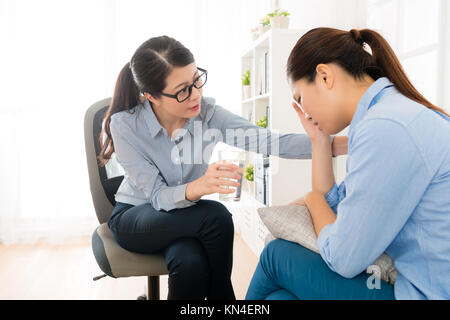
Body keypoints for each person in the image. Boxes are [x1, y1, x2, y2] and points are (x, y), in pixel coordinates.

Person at [97, 35, 348, 300]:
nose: (196, 94)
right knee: (216, 215)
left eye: (196, 80)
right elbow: (158, 197)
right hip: (135, 217)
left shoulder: (208, 115)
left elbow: (272, 142)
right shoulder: (125, 125)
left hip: (185, 219)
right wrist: (199, 186)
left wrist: (350, 143)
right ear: (151, 96)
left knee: (190, 264)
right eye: (183, 90)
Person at [246, 27, 450, 300]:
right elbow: (337, 204)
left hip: (425, 294)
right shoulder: (386, 114)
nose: (304, 111)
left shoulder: (385, 128)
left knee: (275, 254)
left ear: (324, 76)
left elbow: (343, 256)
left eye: (300, 99)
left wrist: (311, 199)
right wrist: (319, 140)